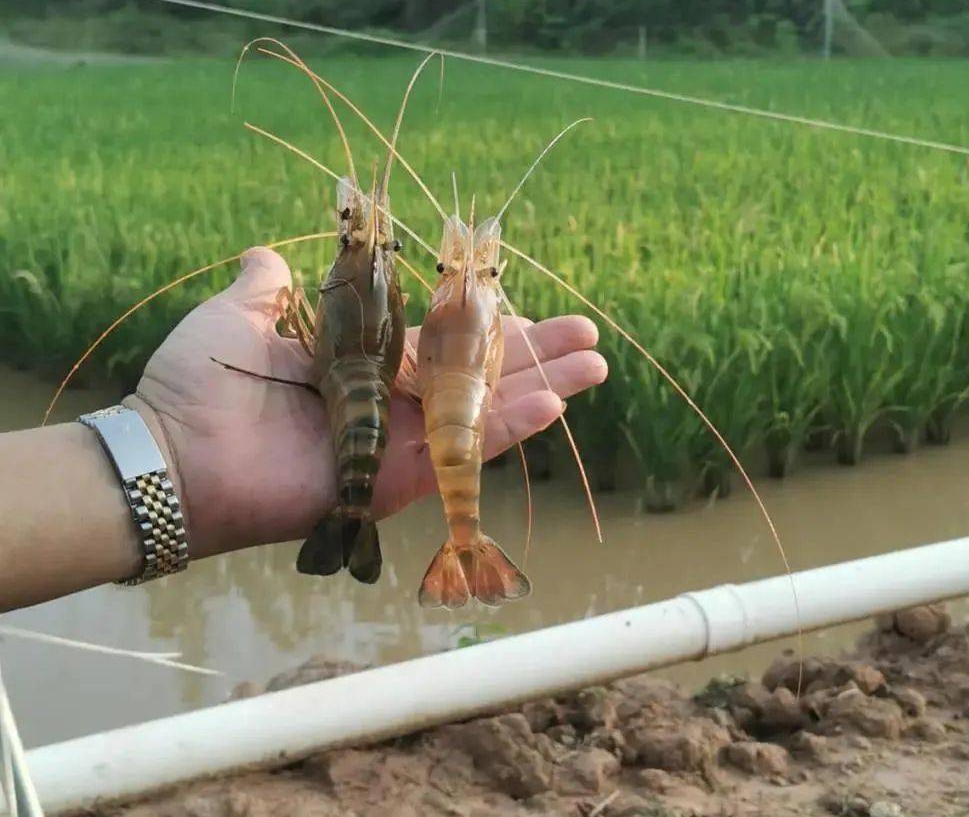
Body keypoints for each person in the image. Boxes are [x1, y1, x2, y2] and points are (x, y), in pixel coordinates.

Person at [0, 248, 607, 610]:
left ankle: (382, 524)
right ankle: (444, 540)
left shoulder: (350, 303)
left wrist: (171, 448)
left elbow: (375, 355)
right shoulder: (412, 340)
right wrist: (173, 454)